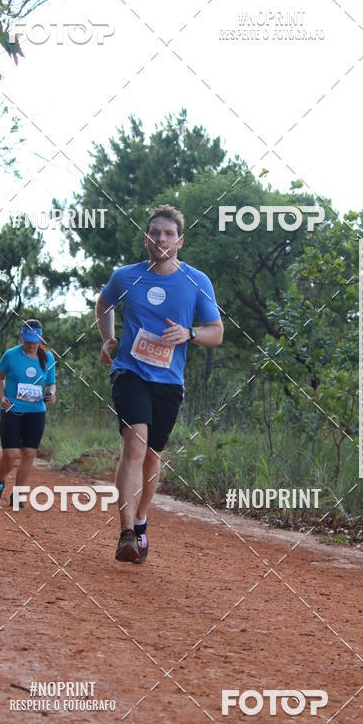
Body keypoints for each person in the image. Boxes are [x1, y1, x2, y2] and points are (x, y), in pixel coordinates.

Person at [96, 205, 223, 564]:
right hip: (130, 372)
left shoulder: (197, 281)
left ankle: (140, 520)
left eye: (169, 234)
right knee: (135, 444)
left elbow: (216, 332)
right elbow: (103, 304)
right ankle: (125, 533)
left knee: (152, 457)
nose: (161, 239)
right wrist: (108, 339)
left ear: (180, 241)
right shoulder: (125, 276)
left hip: (168, 381)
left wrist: (189, 333)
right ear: (146, 239)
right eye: (155, 233)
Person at [0, 319, 56, 508]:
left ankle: (18, 494)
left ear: (40, 339)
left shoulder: (48, 358)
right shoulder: (10, 355)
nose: (31, 345)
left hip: (36, 412)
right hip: (12, 410)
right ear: (21, 337)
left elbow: (51, 383)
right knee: (10, 454)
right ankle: (0, 480)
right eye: (28, 341)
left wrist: (51, 394)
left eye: (34, 341)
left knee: (29, 453)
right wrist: (2, 396)